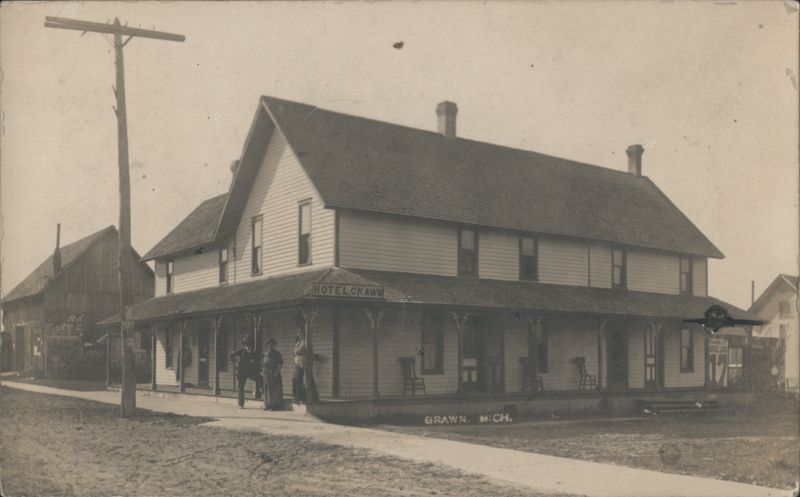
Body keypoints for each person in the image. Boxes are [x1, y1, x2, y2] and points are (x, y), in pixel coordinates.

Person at [230, 336, 262, 408]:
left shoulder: (254, 352)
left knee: (260, 378)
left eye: (249, 344)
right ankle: (241, 403)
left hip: (250, 371)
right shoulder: (241, 351)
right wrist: (236, 362)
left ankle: (259, 392)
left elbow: (257, 361)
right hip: (242, 371)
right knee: (241, 387)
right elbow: (231, 355)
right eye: (246, 344)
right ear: (244, 345)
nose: (247, 345)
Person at [262, 338, 283, 411]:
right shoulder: (266, 354)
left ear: (274, 346)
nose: (270, 346)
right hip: (266, 374)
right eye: (269, 345)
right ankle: (267, 404)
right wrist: (263, 372)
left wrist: (275, 373)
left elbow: (280, 365)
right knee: (266, 389)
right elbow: (263, 364)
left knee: (274, 389)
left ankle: (274, 406)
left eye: (272, 345)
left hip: (274, 373)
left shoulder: (277, 354)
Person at [292, 330, 307, 403]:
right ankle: (297, 397)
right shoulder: (299, 342)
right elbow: (294, 351)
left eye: (301, 333)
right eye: (298, 333)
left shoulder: (305, 341)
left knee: (299, 379)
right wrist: (295, 352)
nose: (299, 334)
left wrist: (296, 352)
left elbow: (298, 351)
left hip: (302, 362)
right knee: (296, 379)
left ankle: (300, 397)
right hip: (297, 361)